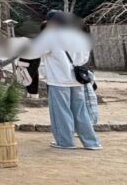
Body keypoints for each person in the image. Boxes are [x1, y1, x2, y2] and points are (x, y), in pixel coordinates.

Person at [21, 11, 101, 150]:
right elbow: (85, 58)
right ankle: (91, 142)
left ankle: (65, 142)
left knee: (61, 112)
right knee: (81, 112)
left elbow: (32, 53)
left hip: (58, 80)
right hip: (78, 80)